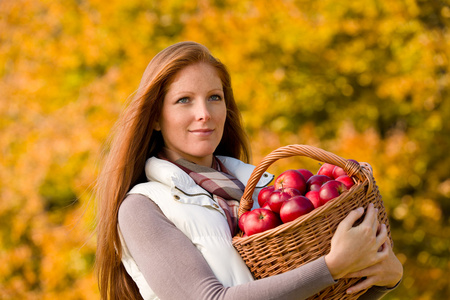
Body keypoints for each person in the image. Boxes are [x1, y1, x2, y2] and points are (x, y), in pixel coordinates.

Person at [95, 41, 403, 300]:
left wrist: (385, 278)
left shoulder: (259, 191)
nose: (204, 114)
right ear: (155, 118)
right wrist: (332, 266)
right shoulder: (143, 207)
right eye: (184, 100)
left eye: (214, 98)